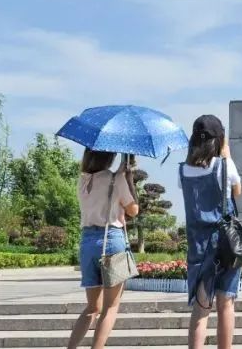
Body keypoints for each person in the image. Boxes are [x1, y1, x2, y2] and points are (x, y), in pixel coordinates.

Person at [179, 114, 242, 349]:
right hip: (225, 243)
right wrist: (227, 153)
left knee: (201, 310)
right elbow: (237, 190)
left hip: (198, 246)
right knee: (226, 304)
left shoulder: (183, 171)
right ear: (219, 140)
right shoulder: (223, 166)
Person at [67, 149, 139, 349]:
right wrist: (128, 178)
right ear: (109, 157)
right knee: (110, 307)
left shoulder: (83, 180)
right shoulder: (116, 179)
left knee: (92, 307)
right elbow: (133, 210)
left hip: (88, 242)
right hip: (111, 239)